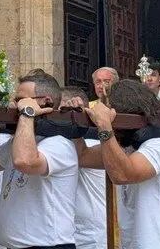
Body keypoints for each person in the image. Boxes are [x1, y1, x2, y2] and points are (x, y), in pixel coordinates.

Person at [0, 71, 78, 249]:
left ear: (46, 102)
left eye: (20, 100)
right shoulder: (20, 141)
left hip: (48, 246)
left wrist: (27, 114)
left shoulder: (60, 145)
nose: (14, 105)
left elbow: (24, 161)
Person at [77, 79, 160, 249]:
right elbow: (82, 156)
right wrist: (77, 123)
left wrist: (105, 127)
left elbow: (123, 175)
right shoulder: (127, 146)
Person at [61, 86, 107, 249]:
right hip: (70, 230)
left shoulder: (95, 146)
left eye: (61, 111)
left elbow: (81, 155)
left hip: (94, 234)